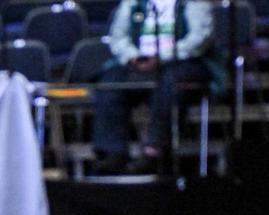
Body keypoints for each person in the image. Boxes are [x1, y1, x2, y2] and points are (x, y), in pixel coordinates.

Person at [91, 0, 220, 175]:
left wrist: (162, 57)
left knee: (170, 81)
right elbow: (118, 36)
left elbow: (199, 38)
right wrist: (132, 56)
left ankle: (155, 150)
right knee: (110, 81)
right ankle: (113, 152)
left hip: (183, 62)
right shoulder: (133, 3)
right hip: (139, 62)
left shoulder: (192, 3)